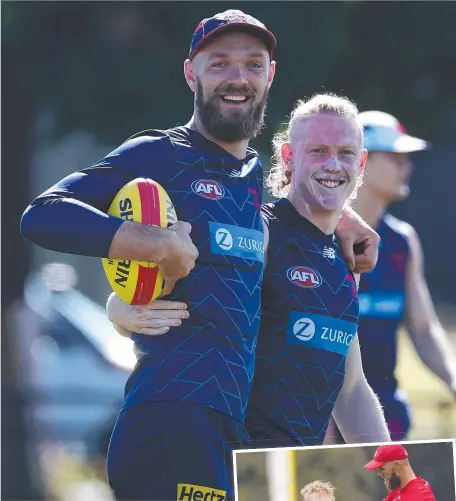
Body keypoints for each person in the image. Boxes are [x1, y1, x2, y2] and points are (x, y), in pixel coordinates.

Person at [20, 10, 380, 500]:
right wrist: (150, 247)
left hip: (230, 434)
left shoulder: (252, 177)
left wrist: (342, 216)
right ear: (192, 73)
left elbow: (290, 209)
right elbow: (43, 214)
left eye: (253, 65)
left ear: (269, 75)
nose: (238, 77)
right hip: (172, 417)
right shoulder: (161, 153)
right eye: (220, 64)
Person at [107, 94, 391, 449]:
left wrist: (397, 476)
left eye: (346, 153)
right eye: (318, 150)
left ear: (361, 162)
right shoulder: (258, 232)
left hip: (295, 470)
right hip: (232, 461)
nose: (333, 164)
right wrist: (118, 309)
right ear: (289, 157)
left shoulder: (347, 256)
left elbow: (350, 389)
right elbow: (165, 286)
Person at [325, 111, 456, 444]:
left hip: (388, 420)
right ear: (362, 161)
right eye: (396, 156)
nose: (407, 166)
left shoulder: (402, 242)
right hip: (321, 423)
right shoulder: (317, 239)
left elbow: (424, 329)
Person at [364, 444, 436, 501]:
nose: (379, 473)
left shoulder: (418, 495)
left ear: (397, 465)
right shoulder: (399, 488)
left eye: (382, 469)